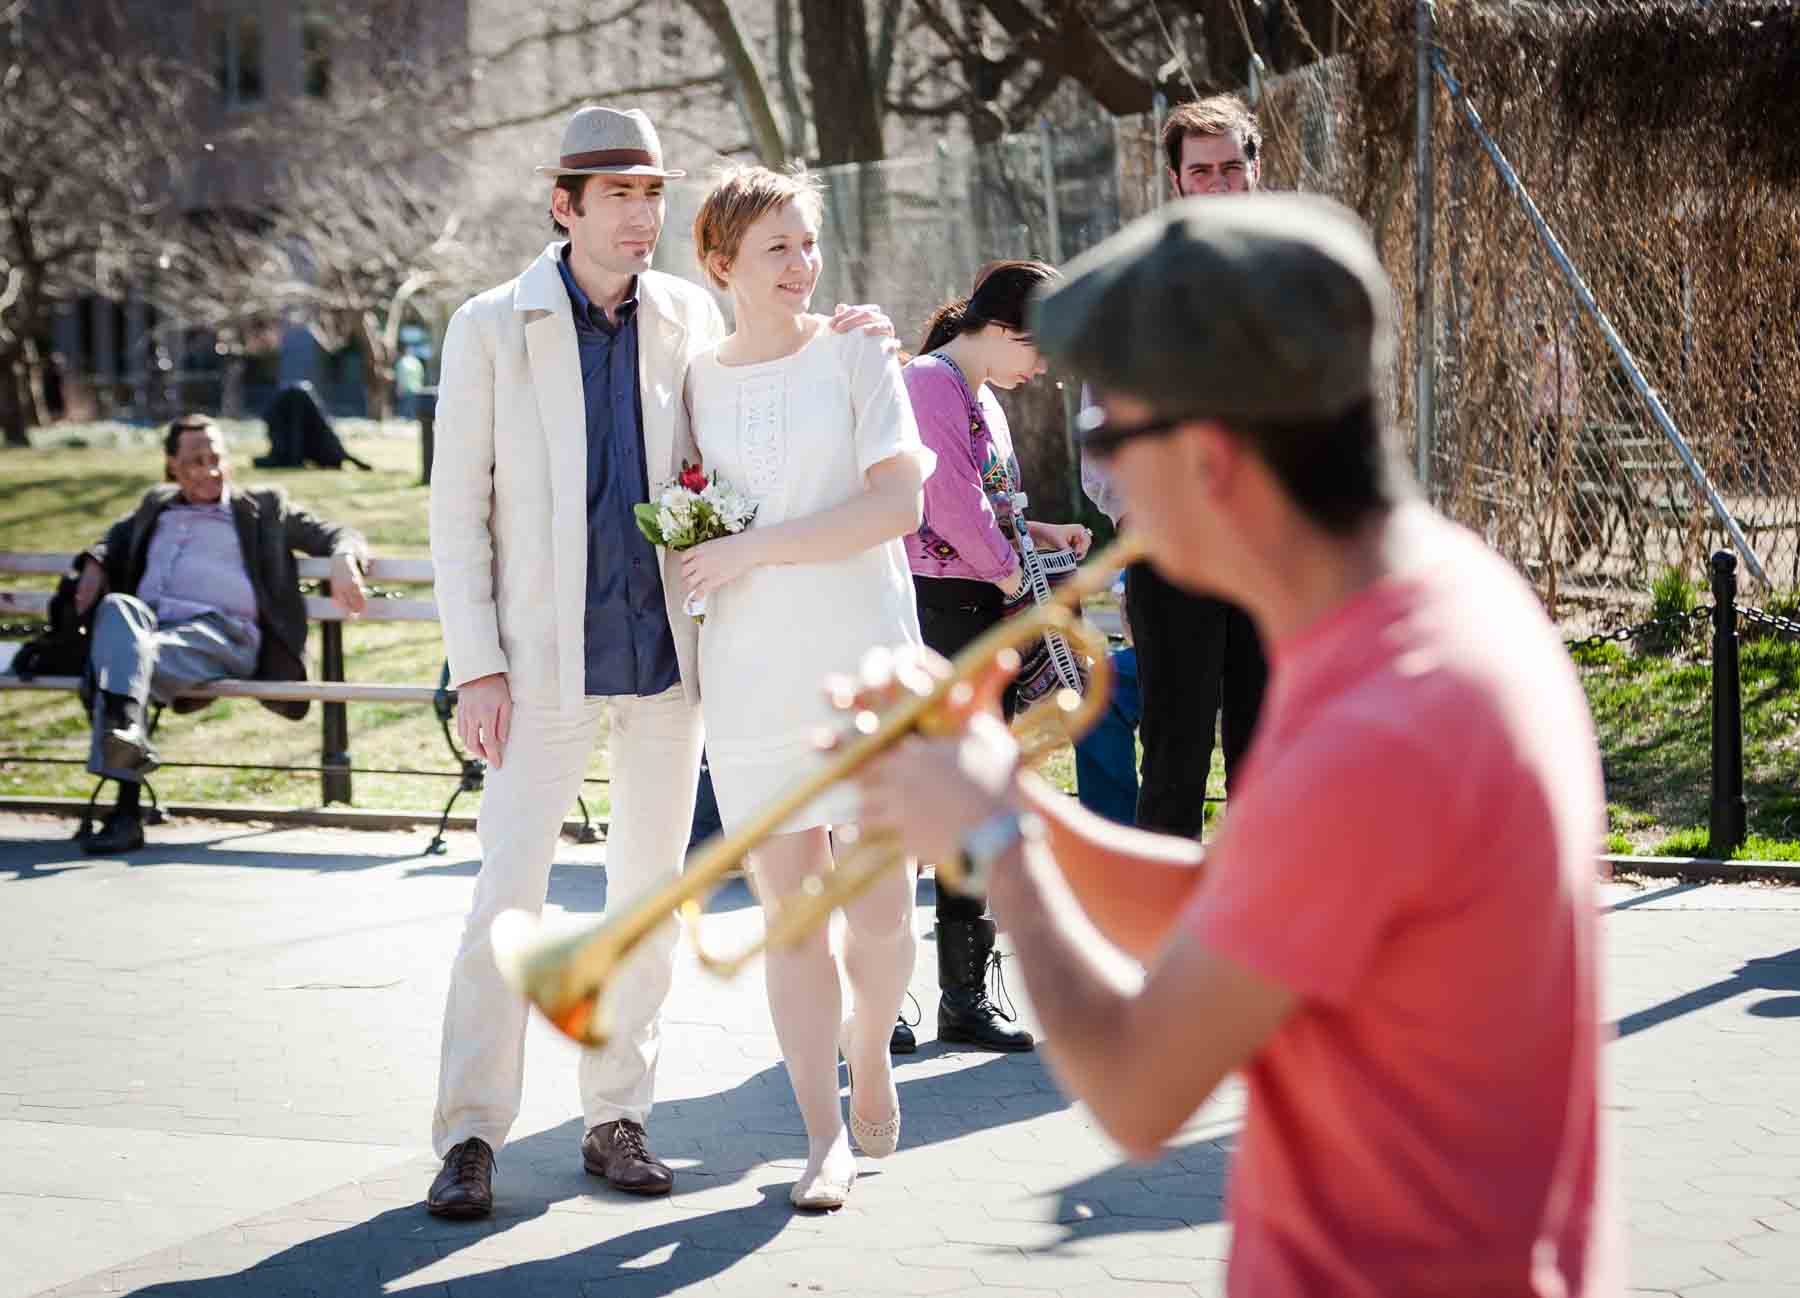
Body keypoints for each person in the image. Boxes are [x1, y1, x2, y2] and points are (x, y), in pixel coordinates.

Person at [855, 194, 1618, 1295]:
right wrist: (1008, 792)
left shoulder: (1381, 720)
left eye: (1116, 432)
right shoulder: (1428, 601)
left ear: (1212, 445)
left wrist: (999, 836)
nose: (1107, 475)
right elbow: (1241, 902)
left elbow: (1136, 1084)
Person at [425, 109, 895, 1220]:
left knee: (645, 899)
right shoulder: (490, 327)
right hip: (539, 669)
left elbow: (770, 368)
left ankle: (615, 1115)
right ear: (565, 205)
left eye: (652, 194)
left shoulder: (685, 313)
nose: (642, 215)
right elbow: (458, 512)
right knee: (509, 895)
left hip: (673, 661)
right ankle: (470, 1133)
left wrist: (849, 326)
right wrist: (477, 665)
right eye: (618, 195)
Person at [678, 164, 932, 1211]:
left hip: (864, 665)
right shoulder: (690, 378)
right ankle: (820, 1137)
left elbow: (899, 508)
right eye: (775, 248)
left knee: (877, 914)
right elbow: (681, 515)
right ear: (720, 262)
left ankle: (867, 1046)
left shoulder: (858, 350)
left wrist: (759, 548)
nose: (800, 265)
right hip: (750, 676)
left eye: (808, 244)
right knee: (792, 917)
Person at [894, 260, 1090, 1054]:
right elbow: (948, 505)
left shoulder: (978, 396)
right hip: (942, 611)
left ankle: (963, 996)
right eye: (1039, 351)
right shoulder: (930, 383)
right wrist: (1015, 573)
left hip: (980, 606)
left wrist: (1039, 536)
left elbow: (993, 506)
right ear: (1007, 330)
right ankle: (881, 995)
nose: (1041, 370)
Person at [1091, 93, 1271, 837]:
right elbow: (1100, 423)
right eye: (1204, 171)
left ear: (1257, 171)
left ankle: (1269, 931)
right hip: (1174, 550)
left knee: (1270, 749)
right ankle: (1166, 939)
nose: (1220, 183)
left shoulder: (1297, 272)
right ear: (1176, 180)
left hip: (1272, 547)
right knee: (1175, 751)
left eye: (1233, 167)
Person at [71, 413, 369, 854]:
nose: (210, 469)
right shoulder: (156, 506)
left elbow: (337, 533)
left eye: (216, 458)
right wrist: (95, 562)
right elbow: (109, 540)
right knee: (118, 613)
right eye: (195, 461)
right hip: (151, 635)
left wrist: (345, 559)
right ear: (172, 464)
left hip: (224, 637)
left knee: (116, 667)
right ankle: (124, 741)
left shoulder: (263, 508)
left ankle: (126, 810)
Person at [394, 350, 426, 420]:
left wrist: (398, 388)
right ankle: (412, 419)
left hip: (405, 388)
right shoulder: (416, 362)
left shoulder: (401, 362)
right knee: (413, 406)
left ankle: (404, 420)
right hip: (416, 387)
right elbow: (421, 375)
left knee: (404, 406)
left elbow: (400, 376)